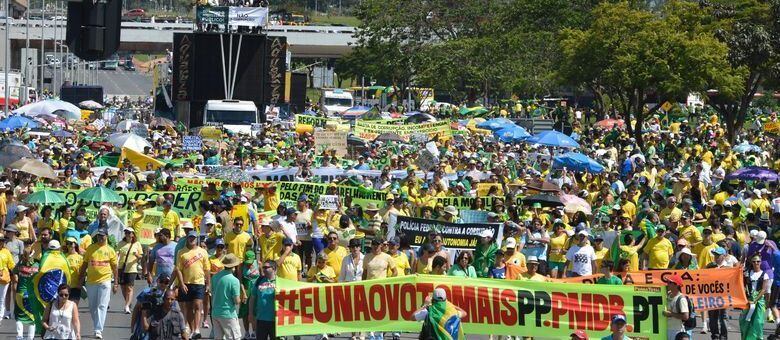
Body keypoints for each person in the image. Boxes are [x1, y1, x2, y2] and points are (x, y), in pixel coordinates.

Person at [79, 228, 118, 339]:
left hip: (105, 281)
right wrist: (80, 278)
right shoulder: (91, 248)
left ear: (106, 236)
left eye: (102, 236)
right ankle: (97, 324)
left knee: (102, 305)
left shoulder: (110, 250)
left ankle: (98, 329)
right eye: (99, 236)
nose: (100, 238)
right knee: (92, 307)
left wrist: (116, 283)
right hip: (91, 281)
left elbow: (115, 268)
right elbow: (85, 264)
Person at [174, 230, 211, 339]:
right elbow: (178, 269)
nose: (192, 240)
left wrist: (208, 284)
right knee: (188, 307)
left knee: (198, 305)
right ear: (187, 238)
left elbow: (207, 269)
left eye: (194, 238)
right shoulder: (181, 252)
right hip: (186, 283)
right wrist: (181, 283)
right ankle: (192, 328)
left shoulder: (203, 252)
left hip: (199, 282)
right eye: (190, 238)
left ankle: (197, 329)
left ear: (197, 239)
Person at [210, 253, 242, 340]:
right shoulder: (234, 280)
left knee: (218, 338)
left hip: (215, 312)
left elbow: (212, 293)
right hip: (228, 313)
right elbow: (236, 300)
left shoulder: (215, 277)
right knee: (235, 337)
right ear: (234, 266)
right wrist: (242, 299)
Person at [741, 255, 769, 340]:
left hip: (759, 300)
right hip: (748, 300)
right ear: (751, 262)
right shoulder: (748, 273)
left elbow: (764, 290)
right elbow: (742, 285)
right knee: (745, 321)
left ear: (760, 262)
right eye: (754, 261)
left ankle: (758, 338)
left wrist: (755, 300)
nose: (756, 263)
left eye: (758, 261)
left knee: (758, 321)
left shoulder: (765, 274)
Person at [12, 247, 39, 340]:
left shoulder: (19, 264)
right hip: (31, 294)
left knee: (19, 316)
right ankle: (30, 338)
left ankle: (19, 336)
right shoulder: (36, 265)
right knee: (32, 318)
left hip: (20, 293)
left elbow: (14, 274)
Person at [249, 260, 277, 340]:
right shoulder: (259, 280)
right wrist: (250, 314)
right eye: (263, 267)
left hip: (275, 320)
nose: (263, 269)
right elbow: (252, 298)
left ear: (273, 268)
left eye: (266, 267)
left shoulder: (280, 282)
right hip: (261, 319)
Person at [117, 227, 143, 314]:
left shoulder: (137, 244)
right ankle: (128, 302)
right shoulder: (121, 243)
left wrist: (136, 255)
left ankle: (127, 305)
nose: (127, 234)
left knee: (129, 287)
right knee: (123, 287)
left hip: (132, 268)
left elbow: (141, 256)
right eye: (126, 233)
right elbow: (117, 254)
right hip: (121, 268)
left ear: (133, 234)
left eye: (129, 233)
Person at [664, 274, 692, 339]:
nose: (667, 284)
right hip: (666, 329)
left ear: (676, 285)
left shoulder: (681, 299)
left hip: (676, 331)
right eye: (667, 282)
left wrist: (671, 314)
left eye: (669, 282)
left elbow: (685, 316)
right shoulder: (668, 295)